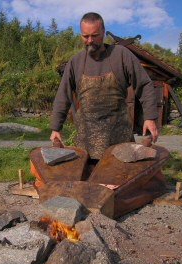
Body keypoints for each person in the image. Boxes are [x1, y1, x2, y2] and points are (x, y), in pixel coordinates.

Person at [50, 12, 159, 160]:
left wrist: (150, 117)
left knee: (119, 179)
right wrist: (56, 127)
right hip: (86, 140)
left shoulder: (121, 55)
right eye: (85, 36)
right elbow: (63, 95)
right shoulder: (76, 62)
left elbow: (145, 85)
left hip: (118, 138)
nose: (90, 40)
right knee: (88, 180)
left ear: (103, 32)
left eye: (95, 35)